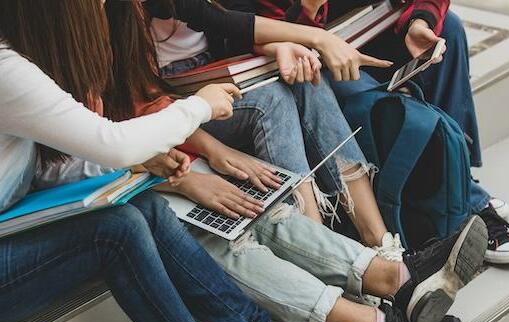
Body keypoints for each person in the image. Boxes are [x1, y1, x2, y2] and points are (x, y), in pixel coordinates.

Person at [0, 1, 360, 322]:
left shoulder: (20, 56)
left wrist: (138, 162)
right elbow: (111, 141)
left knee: (148, 208)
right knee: (117, 230)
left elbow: (50, 168)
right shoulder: (6, 69)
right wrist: (198, 108)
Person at [228, 0, 509, 264]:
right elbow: (256, 33)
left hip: (362, 29)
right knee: (370, 96)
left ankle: (457, 182)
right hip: (307, 54)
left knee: (448, 27)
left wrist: (418, 21)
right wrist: (307, 11)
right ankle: (464, 200)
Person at [144, 0, 412, 259]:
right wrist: (318, 37)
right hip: (170, 96)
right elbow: (220, 19)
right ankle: (330, 254)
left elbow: (236, 27)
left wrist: (279, 46)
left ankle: (381, 244)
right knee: (273, 97)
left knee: (309, 82)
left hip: (221, 72)